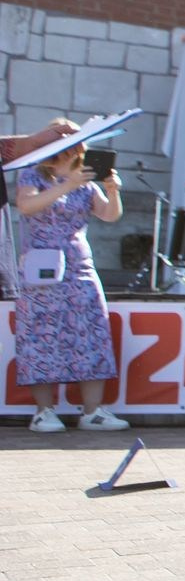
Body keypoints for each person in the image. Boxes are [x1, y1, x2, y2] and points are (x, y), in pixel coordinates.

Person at [11, 141, 129, 433]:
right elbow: (26, 205)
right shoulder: (32, 175)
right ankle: (44, 412)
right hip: (43, 269)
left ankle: (92, 412)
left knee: (92, 332)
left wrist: (113, 190)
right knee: (41, 336)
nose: (78, 151)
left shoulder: (86, 181)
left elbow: (109, 214)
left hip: (79, 267)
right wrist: (66, 185)